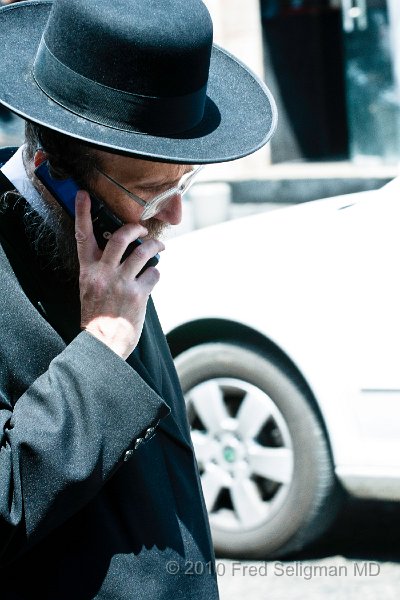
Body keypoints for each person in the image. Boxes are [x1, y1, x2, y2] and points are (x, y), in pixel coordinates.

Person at [0, 1, 277, 598]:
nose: (175, 214)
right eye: (152, 191)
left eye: (184, 182)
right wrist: (100, 349)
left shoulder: (112, 236)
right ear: (54, 169)